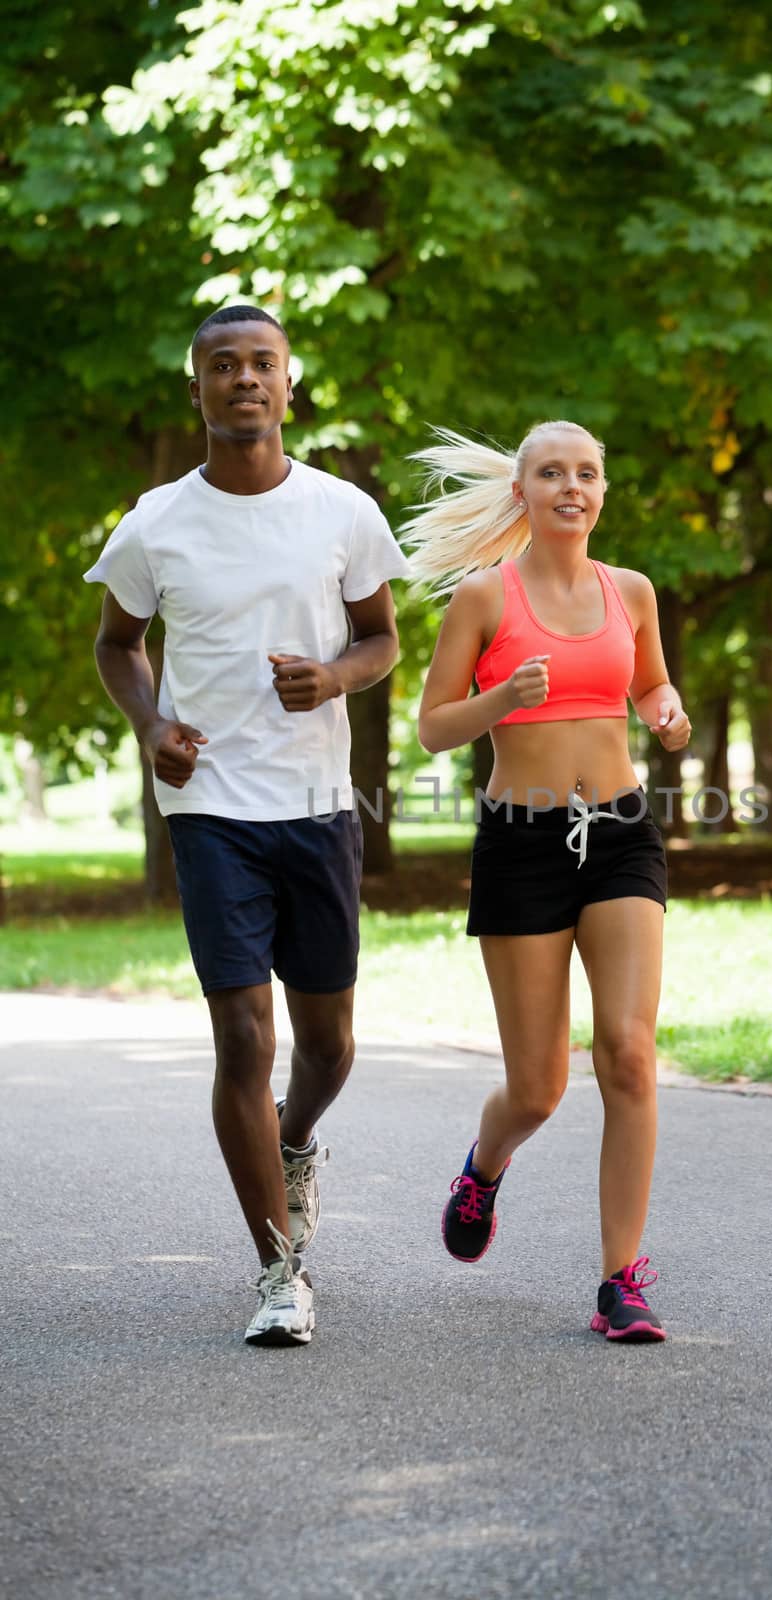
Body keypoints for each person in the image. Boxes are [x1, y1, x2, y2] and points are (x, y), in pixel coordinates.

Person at [85, 305, 410, 1346]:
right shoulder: (155, 521)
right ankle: (278, 1270)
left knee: (328, 1045)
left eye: (259, 363)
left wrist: (335, 680)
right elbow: (118, 644)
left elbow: (382, 640)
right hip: (211, 808)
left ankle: (295, 1140)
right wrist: (151, 723)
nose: (242, 380)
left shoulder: (341, 511)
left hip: (315, 807)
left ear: (287, 381)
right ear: (197, 389)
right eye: (221, 365)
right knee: (242, 1035)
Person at [405, 420, 691, 1341]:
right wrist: (502, 699)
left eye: (588, 473)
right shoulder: (484, 599)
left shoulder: (631, 591)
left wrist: (668, 708)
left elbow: (647, 686)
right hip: (521, 843)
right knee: (537, 1088)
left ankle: (622, 1280)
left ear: (602, 492)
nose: (573, 486)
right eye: (552, 473)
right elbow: (434, 726)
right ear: (521, 492)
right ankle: (484, 1168)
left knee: (629, 1053)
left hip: (618, 833)